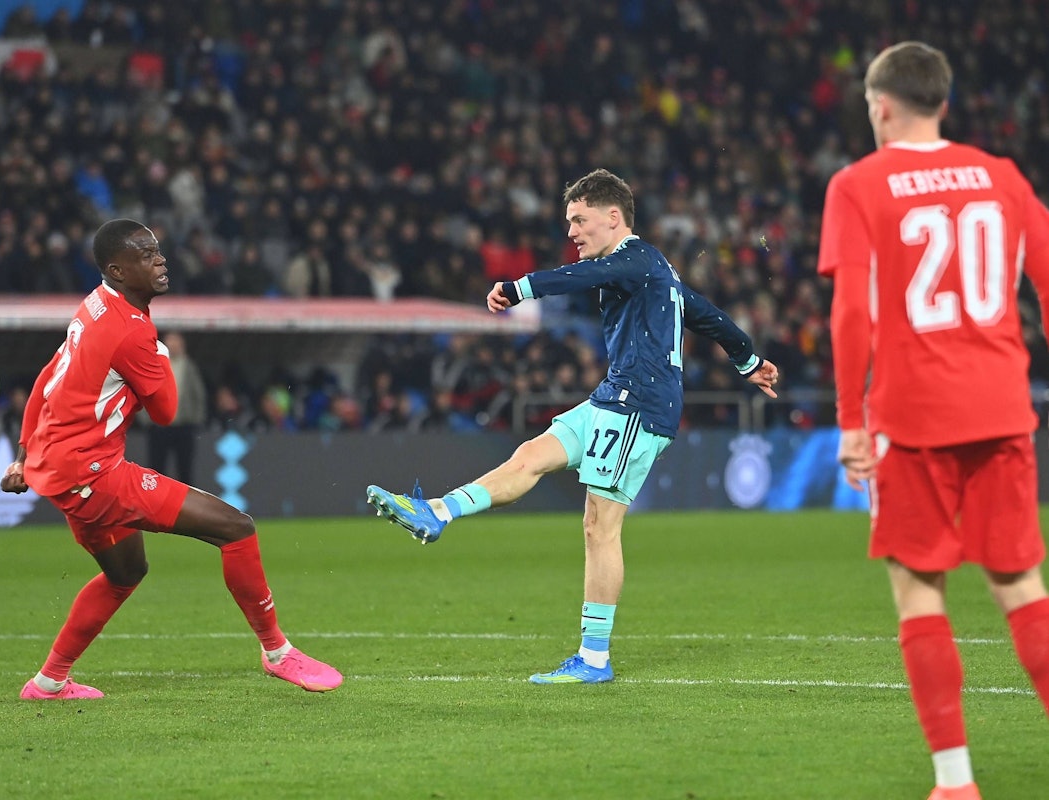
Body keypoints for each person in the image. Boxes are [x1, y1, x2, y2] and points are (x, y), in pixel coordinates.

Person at [366, 169, 779, 684]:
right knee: (530, 455)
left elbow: (580, 278)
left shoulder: (633, 258)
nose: (572, 232)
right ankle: (437, 512)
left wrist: (520, 288)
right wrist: (747, 361)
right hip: (613, 395)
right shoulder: (655, 270)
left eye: (579, 220)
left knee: (599, 526)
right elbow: (708, 315)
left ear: (613, 218)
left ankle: (595, 659)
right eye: (568, 222)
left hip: (638, 404)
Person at [818, 42, 1049, 800]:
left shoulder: (857, 183)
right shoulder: (1003, 176)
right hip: (999, 407)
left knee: (919, 591)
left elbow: (852, 310)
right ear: (942, 102)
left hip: (913, 417)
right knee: (1021, 588)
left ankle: (954, 784)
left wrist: (851, 418)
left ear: (880, 105)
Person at [0, 219, 342, 700]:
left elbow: (45, 380)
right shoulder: (130, 331)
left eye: (158, 251)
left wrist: (22, 454)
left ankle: (49, 682)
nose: (160, 261)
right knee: (236, 527)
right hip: (92, 474)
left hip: (60, 468)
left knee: (126, 573)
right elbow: (165, 413)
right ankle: (279, 653)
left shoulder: (94, 305)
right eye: (145, 255)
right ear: (118, 270)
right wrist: (162, 356)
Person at [145, 331, 207, 484]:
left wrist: (195, 419)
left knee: (185, 470)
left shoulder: (189, 366)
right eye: (169, 343)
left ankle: (186, 506)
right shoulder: (154, 364)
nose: (173, 346)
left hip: (183, 426)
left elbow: (198, 395)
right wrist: (146, 420)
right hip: (158, 427)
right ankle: (156, 505)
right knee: (156, 470)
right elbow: (144, 391)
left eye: (176, 343)